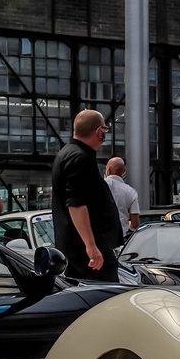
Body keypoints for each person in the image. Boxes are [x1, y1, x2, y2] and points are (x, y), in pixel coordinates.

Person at [51, 110, 122, 280]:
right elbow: (75, 204)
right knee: (107, 297)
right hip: (87, 248)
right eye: (105, 130)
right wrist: (91, 246)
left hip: (77, 247)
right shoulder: (79, 158)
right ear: (99, 132)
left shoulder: (68, 154)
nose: (104, 135)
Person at [103, 157, 141, 237]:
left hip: (100, 238)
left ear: (108, 170)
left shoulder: (97, 186)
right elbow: (135, 225)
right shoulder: (131, 192)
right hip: (121, 237)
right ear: (123, 172)